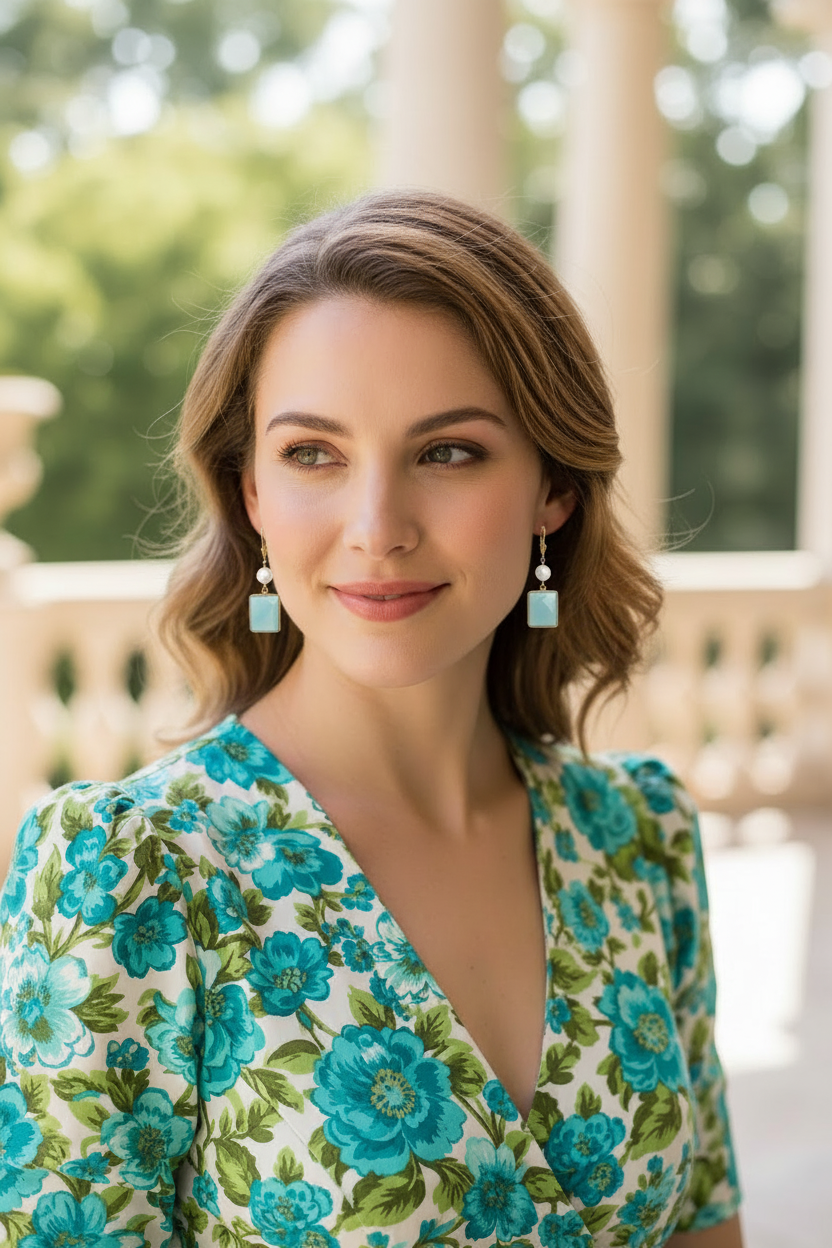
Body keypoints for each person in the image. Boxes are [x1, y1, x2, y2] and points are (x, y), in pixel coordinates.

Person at [0, 191, 743, 1248]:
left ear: (553, 491)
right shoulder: (132, 873)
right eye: (313, 453)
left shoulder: (641, 839)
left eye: (447, 452)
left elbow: (705, 1225)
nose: (376, 528)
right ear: (248, 489)